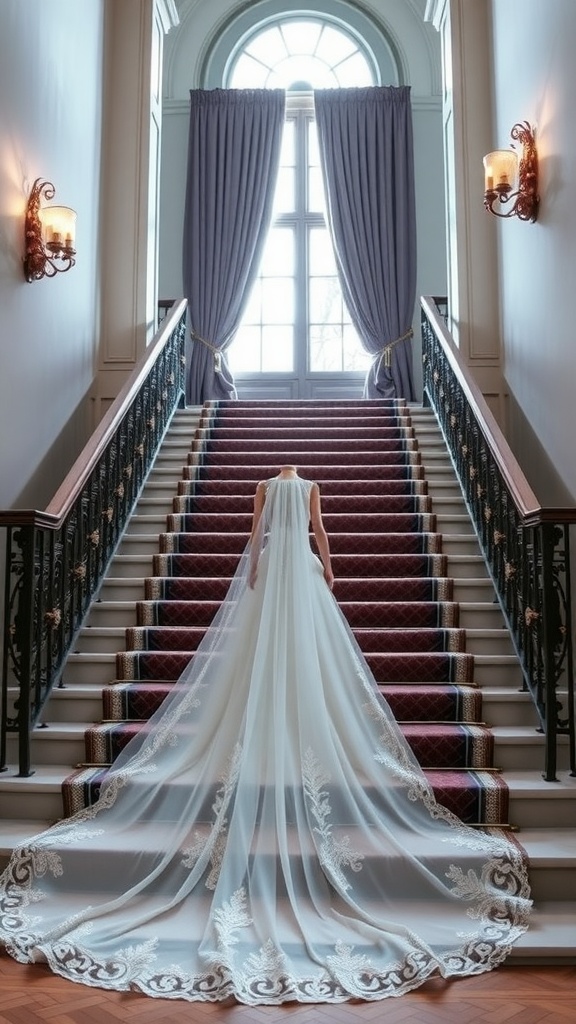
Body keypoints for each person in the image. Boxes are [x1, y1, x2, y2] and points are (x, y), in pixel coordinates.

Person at [0, 467, 531, 1005]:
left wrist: (253, 569)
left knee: (260, 648)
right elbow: (320, 531)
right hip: (298, 566)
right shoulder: (309, 487)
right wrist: (329, 568)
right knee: (308, 648)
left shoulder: (264, 487)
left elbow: (254, 535)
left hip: (276, 565)